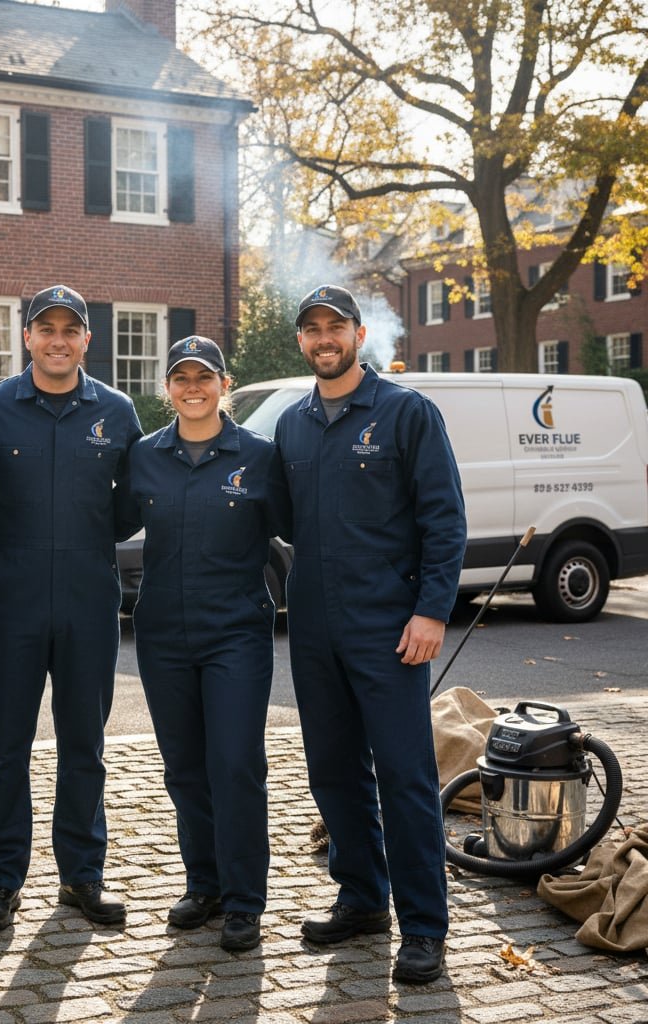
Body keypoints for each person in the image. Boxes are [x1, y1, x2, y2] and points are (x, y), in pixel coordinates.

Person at [274, 284, 466, 984]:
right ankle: (361, 897)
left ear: (358, 334)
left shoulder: (406, 412)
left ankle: (424, 926)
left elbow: (444, 518)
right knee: (333, 770)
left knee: (404, 775)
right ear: (302, 340)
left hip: (389, 627)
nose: (325, 339)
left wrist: (432, 610)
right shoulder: (292, 425)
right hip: (314, 627)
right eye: (313, 329)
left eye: (337, 327)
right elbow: (284, 522)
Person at [0, 285, 142, 932]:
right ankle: (0, 881)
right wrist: (18, 523)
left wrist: (82, 533)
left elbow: (131, 504)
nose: (58, 340)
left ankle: (82, 876)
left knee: (84, 744)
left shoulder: (117, 411)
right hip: (10, 601)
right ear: (28, 336)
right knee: (5, 745)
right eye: (47, 329)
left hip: (88, 600)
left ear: (87, 339)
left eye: (71, 329)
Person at [117, 336, 290, 952]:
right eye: (181, 378)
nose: (193, 387)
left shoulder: (260, 456)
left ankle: (244, 899)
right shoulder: (145, 455)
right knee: (185, 766)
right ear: (167, 388)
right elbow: (104, 521)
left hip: (236, 634)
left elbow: (302, 527)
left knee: (235, 764)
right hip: (163, 634)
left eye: (204, 377)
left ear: (224, 384)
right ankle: (205, 884)